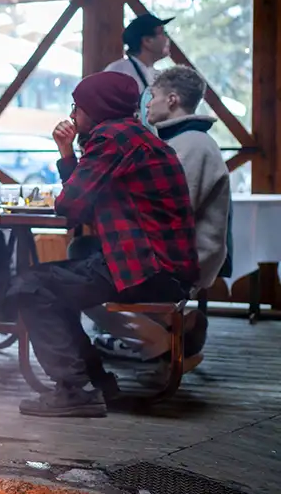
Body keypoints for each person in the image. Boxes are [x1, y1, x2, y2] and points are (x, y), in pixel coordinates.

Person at [8, 71, 198, 418]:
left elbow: (72, 205)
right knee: (53, 286)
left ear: (95, 109)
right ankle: (94, 384)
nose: (73, 114)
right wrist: (69, 152)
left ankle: (74, 389)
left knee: (31, 285)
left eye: (77, 107)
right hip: (168, 268)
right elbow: (88, 203)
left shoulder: (112, 139)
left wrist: (66, 153)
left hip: (149, 269)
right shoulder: (136, 135)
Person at [92, 66, 230, 372]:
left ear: (172, 99)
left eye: (151, 96)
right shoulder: (183, 141)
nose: (146, 104)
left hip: (181, 261)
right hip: (174, 254)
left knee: (79, 271)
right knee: (88, 257)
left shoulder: (191, 145)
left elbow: (169, 211)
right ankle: (164, 331)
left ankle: (158, 342)